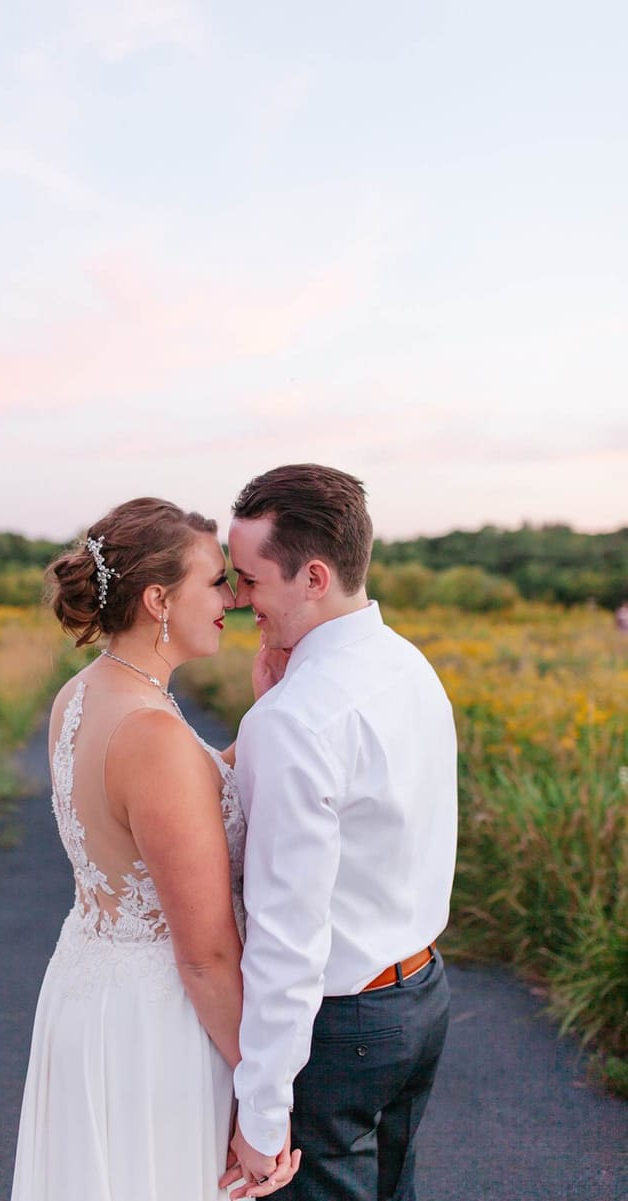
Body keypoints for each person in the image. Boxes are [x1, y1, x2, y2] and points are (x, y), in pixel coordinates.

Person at [11, 497, 300, 1201]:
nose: (231, 597)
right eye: (214, 581)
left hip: (89, 991)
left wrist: (265, 714)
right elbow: (205, 955)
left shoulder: (83, 694)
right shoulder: (153, 734)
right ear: (157, 598)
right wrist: (263, 1096)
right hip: (156, 1022)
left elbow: (182, 799)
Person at [220, 464, 458, 1201]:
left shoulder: (295, 721)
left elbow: (288, 938)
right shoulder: (409, 665)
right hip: (423, 994)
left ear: (313, 575)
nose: (235, 599)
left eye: (249, 579)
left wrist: (259, 1117)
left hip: (341, 1027)